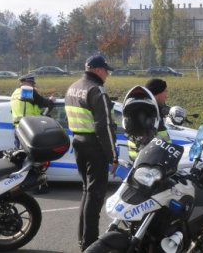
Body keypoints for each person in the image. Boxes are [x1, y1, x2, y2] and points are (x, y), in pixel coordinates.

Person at [64, 54, 118, 251]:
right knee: (95, 197)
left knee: (87, 192)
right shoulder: (97, 90)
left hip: (78, 142)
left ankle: (83, 239)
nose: (107, 74)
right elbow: (104, 127)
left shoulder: (73, 87)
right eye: (106, 70)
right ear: (96, 69)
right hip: (95, 146)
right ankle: (91, 244)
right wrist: (113, 156)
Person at [10, 73, 54, 193]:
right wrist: (50, 101)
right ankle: (35, 186)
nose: (33, 86)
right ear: (27, 82)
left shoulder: (15, 93)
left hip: (18, 129)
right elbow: (43, 102)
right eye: (32, 83)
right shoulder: (27, 91)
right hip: (28, 130)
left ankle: (18, 185)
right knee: (34, 159)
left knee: (22, 159)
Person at [126, 78, 171, 161]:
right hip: (146, 163)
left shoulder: (154, 110)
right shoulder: (147, 113)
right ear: (157, 93)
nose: (166, 95)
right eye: (165, 91)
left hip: (143, 161)